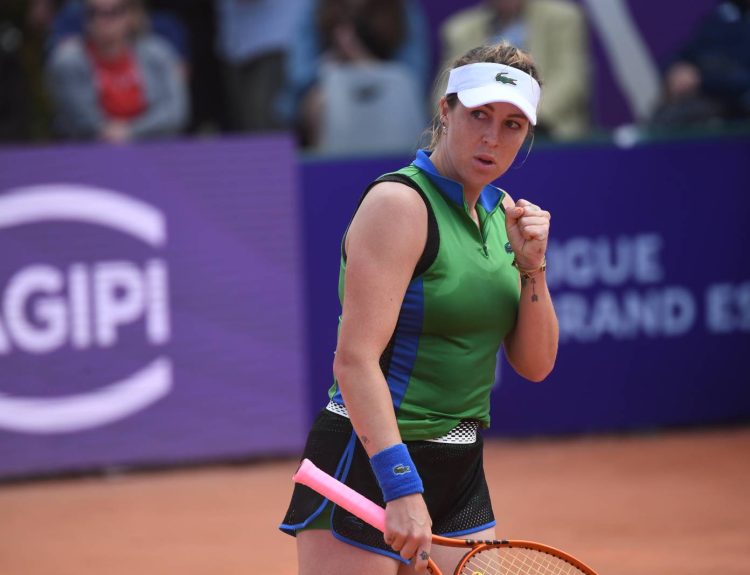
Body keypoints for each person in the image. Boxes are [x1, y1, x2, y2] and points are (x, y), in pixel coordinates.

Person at [280, 42, 558, 574]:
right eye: (479, 115)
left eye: (512, 125)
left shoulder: (504, 214)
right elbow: (354, 360)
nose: (492, 137)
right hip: (371, 461)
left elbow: (536, 364)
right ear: (445, 110)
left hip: (459, 465)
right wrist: (400, 486)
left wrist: (533, 267)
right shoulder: (399, 205)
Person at [439, 0, 590, 140]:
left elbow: (571, 78)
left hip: (548, 134)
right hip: (475, 132)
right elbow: (446, 89)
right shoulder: (460, 29)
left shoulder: (562, 18)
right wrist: (475, 117)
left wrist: (522, 116)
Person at [46, 0, 188, 142]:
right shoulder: (68, 61)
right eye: (94, 13)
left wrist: (131, 131)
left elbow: (175, 112)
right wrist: (108, 131)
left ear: (131, 15)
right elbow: (77, 118)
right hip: (89, 148)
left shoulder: (158, 54)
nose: (103, 21)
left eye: (114, 12)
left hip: (152, 146)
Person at [650, 0, 750, 129]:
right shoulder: (721, 16)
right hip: (704, 98)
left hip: (733, 102)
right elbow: (687, 53)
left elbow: (743, 78)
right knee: (667, 117)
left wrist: (701, 80)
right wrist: (675, 71)